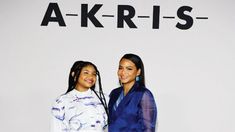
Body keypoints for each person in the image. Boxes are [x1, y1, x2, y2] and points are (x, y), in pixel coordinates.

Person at [51, 61, 108, 132]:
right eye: (86, 73)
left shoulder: (104, 98)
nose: (90, 77)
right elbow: (57, 128)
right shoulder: (62, 101)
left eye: (94, 74)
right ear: (74, 74)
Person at [108, 53, 157, 132]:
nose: (123, 72)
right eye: (120, 68)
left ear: (138, 72)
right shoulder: (114, 93)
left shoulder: (143, 94)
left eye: (129, 69)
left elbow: (149, 128)